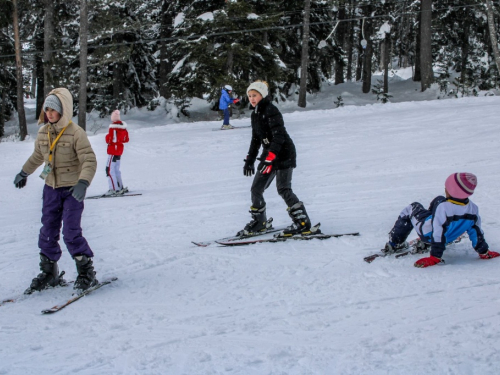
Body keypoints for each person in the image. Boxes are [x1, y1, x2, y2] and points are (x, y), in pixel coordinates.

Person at [13, 87, 99, 294]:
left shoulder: (76, 132)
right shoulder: (43, 132)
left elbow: (89, 159)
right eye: (47, 109)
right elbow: (37, 157)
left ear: (64, 110)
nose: (50, 113)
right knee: (48, 230)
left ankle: (87, 272)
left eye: (54, 109)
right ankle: (49, 272)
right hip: (50, 189)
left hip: (71, 190)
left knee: (70, 231)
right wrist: (24, 172)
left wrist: (83, 183)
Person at [238, 80, 314, 237]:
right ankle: (260, 223)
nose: (252, 98)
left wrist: (270, 158)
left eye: (255, 95)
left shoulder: (271, 110)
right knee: (256, 189)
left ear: (262, 95)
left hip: (284, 154)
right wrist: (250, 161)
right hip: (269, 156)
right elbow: (255, 140)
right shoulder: (255, 114)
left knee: (283, 189)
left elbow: (279, 137)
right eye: (250, 95)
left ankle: (302, 223)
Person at [384, 172, 499, 268]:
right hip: (448, 236)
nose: (445, 189)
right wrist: (484, 252)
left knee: (411, 208)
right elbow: (477, 233)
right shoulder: (473, 209)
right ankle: (431, 223)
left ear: (453, 191)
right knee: (439, 199)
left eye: (447, 188)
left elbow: (438, 231)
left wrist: (435, 257)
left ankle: (395, 243)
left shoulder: (444, 208)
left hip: (428, 233)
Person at [105, 109, 129, 195]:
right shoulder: (123, 127)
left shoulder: (113, 127)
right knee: (116, 170)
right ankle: (120, 186)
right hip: (119, 150)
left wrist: (107, 137)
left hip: (112, 151)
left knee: (109, 170)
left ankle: (114, 189)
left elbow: (111, 139)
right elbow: (126, 139)